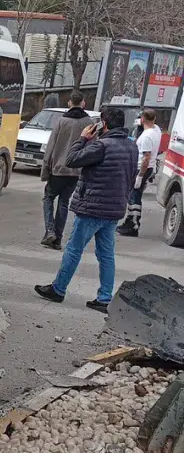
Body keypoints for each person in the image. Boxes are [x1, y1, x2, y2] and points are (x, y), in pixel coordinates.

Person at [34, 106, 139, 313]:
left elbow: (71, 160)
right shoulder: (131, 147)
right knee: (106, 255)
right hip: (113, 209)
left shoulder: (101, 146)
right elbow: (131, 177)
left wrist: (82, 138)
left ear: (104, 124)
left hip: (92, 208)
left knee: (74, 250)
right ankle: (104, 297)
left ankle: (58, 289)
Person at [40, 91, 93, 249]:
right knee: (63, 202)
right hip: (76, 171)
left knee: (48, 198)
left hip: (58, 168)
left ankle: (50, 230)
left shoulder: (61, 121)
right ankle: (57, 239)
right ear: (83, 103)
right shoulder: (89, 122)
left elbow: (51, 146)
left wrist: (45, 168)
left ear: (69, 103)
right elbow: (91, 148)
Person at [118, 108, 162, 237]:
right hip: (146, 168)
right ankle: (129, 220)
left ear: (142, 119)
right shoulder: (156, 130)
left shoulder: (147, 137)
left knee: (134, 196)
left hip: (141, 168)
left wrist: (140, 175)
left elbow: (146, 157)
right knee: (133, 195)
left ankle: (134, 224)